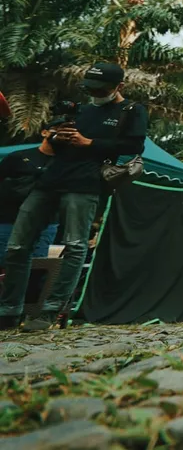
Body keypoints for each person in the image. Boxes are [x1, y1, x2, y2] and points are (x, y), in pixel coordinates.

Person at [0, 63, 148, 331]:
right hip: (50, 180)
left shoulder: (131, 110)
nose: (94, 93)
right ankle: (9, 310)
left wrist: (90, 143)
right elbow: (57, 143)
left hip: (85, 183)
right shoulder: (84, 109)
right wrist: (59, 136)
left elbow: (134, 146)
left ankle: (50, 311)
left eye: (100, 89)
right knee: (17, 245)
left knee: (75, 245)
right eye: (89, 88)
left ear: (119, 87)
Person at [0, 135, 60, 270]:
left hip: (45, 222)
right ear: (45, 132)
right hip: (8, 218)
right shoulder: (18, 157)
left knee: (35, 264)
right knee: (4, 261)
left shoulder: (68, 161)